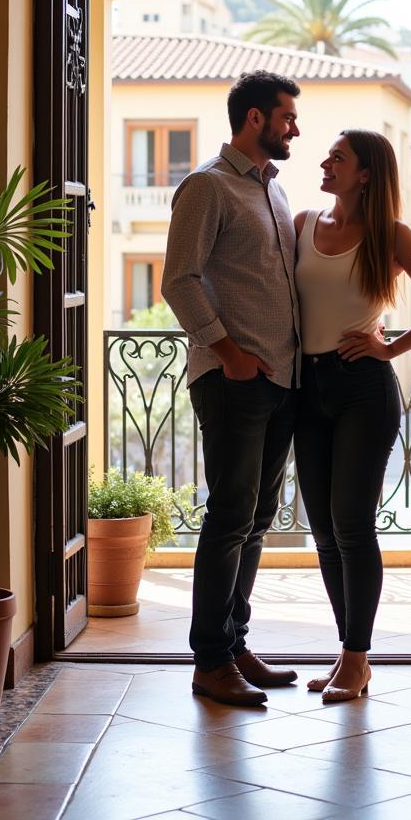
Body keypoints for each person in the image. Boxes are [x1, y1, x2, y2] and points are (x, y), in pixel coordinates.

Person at [292, 129, 411, 703]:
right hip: (305, 388)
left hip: (363, 387)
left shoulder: (391, 236)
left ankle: (357, 660)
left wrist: (392, 347)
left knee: (353, 527)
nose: (325, 162)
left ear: (365, 174)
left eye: (338, 157)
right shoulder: (302, 224)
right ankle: (346, 656)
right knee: (324, 533)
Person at [162, 70, 303, 707]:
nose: (294, 128)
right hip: (232, 380)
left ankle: (234, 642)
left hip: (278, 381)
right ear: (253, 119)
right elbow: (179, 281)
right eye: (286, 117)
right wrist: (227, 352)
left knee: (255, 521)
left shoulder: (274, 193)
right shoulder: (206, 187)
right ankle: (210, 662)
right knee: (228, 520)